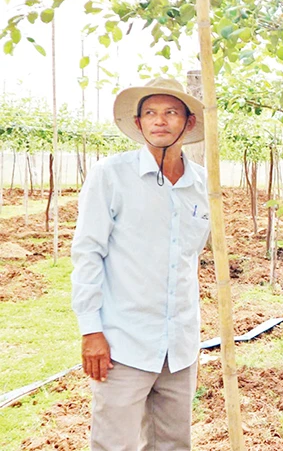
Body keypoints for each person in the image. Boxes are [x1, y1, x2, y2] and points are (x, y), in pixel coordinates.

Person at [71, 77, 209, 450]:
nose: (159, 121)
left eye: (169, 113)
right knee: (113, 443)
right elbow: (88, 253)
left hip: (179, 346)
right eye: (150, 113)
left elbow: (191, 258)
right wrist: (90, 330)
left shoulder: (202, 185)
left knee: (174, 442)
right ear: (138, 123)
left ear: (188, 122)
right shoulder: (111, 176)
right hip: (122, 343)